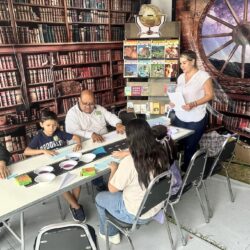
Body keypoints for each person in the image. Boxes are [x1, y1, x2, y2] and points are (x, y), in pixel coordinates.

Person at [95, 119, 178, 245]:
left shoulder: (130, 162)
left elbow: (112, 189)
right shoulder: (161, 152)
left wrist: (114, 169)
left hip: (136, 214)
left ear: (130, 139)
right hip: (157, 206)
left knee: (99, 198)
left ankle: (111, 234)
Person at [24, 110, 86, 222]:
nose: (51, 128)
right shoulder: (39, 137)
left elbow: (76, 137)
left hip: (64, 163)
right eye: (48, 125)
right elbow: (26, 152)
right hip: (51, 168)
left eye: (54, 125)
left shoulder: (59, 133)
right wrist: (43, 151)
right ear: (41, 124)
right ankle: (76, 207)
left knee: (79, 180)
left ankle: (73, 205)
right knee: (61, 185)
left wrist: (78, 143)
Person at [170, 50, 213, 171]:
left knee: (190, 146)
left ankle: (188, 173)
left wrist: (194, 104)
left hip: (196, 118)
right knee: (177, 144)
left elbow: (209, 95)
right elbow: (180, 95)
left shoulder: (203, 76)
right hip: (180, 117)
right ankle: (174, 172)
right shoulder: (181, 77)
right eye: (180, 63)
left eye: (184, 63)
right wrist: (174, 102)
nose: (181, 66)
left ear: (193, 61)